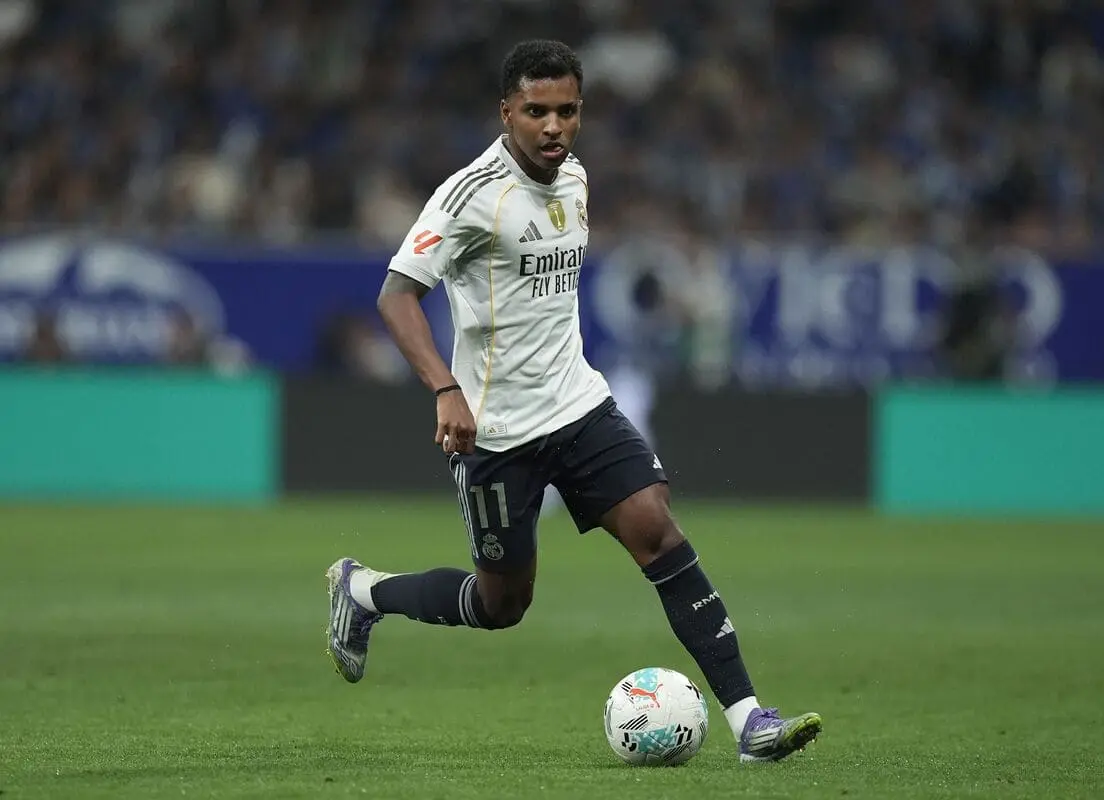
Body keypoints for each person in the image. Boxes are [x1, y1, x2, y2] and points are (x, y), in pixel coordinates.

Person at [325, 39, 821, 764]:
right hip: (494, 432)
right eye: (536, 112)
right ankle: (364, 591)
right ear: (506, 113)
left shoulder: (577, 180)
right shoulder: (470, 195)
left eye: (567, 111)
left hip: (579, 404)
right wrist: (445, 389)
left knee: (657, 528)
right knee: (502, 605)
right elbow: (397, 297)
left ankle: (750, 720)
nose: (554, 126)